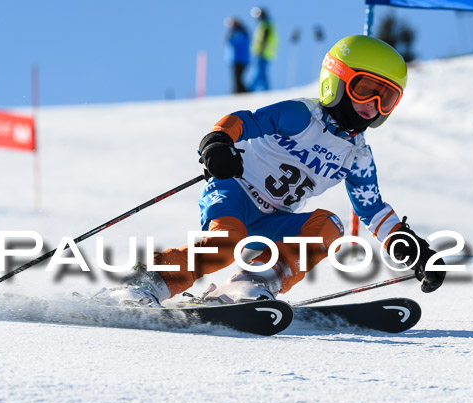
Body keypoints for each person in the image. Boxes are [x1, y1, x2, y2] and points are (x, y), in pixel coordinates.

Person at [111, 35, 445, 306]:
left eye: (385, 98)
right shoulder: (301, 116)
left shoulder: (357, 156)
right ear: (338, 81)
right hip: (235, 191)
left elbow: (372, 210)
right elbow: (244, 121)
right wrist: (217, 143)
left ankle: (252, 283)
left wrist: (412, 249)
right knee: (226, 243)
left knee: (329, 226)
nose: (372, 106)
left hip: (275, 218)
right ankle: (149, 281)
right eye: (365, 90)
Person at [248, 7, 277, 91]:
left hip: (262, 53)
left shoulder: (265, 24)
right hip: (264, 53)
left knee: (258, 72)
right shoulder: (266, 24)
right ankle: (265, 89)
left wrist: (260, 49)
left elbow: (264, 38)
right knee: (262, 72)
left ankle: (251, 88)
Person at [225, 17, 250, 94]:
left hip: (239, 59)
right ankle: (238, 90)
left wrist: (230, 36)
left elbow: (236, 43)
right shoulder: (235, 32)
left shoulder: (240, 32)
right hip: (235, 58)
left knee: (237, 77)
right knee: (236, 77)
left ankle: (241, 91)